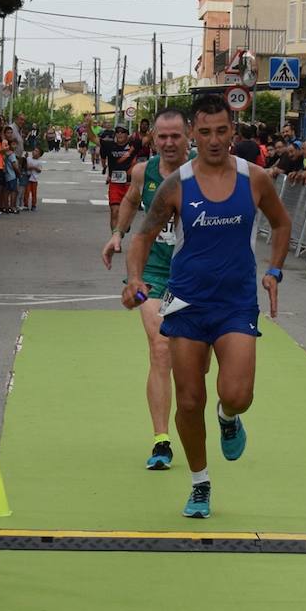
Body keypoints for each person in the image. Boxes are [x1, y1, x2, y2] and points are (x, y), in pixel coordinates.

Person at [121, 94, 291, 519]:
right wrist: (136, 278)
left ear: (233, 131)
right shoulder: (177, 184)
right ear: (194, 134)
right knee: (190, 401)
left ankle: (228, 416)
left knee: (237, 394)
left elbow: (282, 222)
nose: (214, 140)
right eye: (205, 132)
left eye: (222, 131)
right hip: (186, 303)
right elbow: (143, 236)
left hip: (235, 303)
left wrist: (274, 271)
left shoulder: (254, 179)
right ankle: (200, 483)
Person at [103, 108, 194, 470]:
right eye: (162, 137)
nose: (169, 143)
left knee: (195, 364)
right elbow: (129, 199)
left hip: (195, 277)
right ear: (152, 138)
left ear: (190, 136)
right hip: (152, 273)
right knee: (160, 348)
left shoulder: (206, 174)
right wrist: (117, 234)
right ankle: (161, 440)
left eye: (176, 136)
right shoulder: (144, 171)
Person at [105, 126, 140, 233]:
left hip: (130, 185)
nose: (119, 134)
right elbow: (93, 138)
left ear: (127, 134)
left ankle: (125, 223)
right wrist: (88, 126)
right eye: (117, 132)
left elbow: (150, 137)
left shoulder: (134, 145)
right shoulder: (110, 146)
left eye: (122, 132)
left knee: (126, 214)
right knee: (114, 211)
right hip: (115, 184)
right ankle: (115, 239)